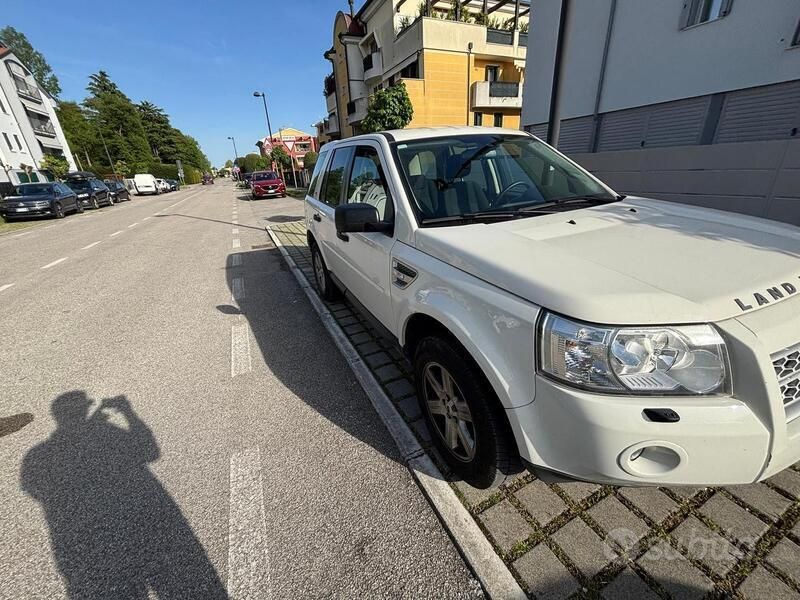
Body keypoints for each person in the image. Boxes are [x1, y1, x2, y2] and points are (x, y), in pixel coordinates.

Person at [21, 392, 226, 599]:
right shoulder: (104, 432)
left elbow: (35, 490)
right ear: (83, 409)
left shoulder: (35, 456)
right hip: (146, 529)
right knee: (182, 586)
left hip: (83, 550)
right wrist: (127, 411)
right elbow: (150, 451)